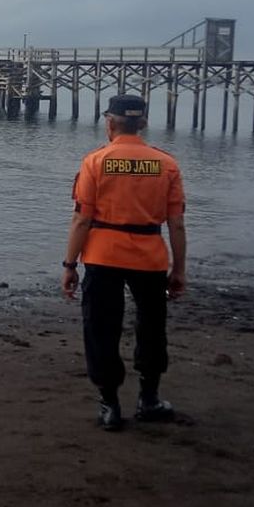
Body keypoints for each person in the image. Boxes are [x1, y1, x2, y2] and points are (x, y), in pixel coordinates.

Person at [60, 94, 187, 431]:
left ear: (109, 123)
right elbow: (176, 223)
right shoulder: (166, 164)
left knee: (101, 328)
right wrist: (179, 269)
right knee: (151, 327)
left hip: (103, 255)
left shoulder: (96, 162)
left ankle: (110, 404)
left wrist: (70, 265)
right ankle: (149, 398)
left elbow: (81, 220)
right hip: (150, 256)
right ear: (142, 123)